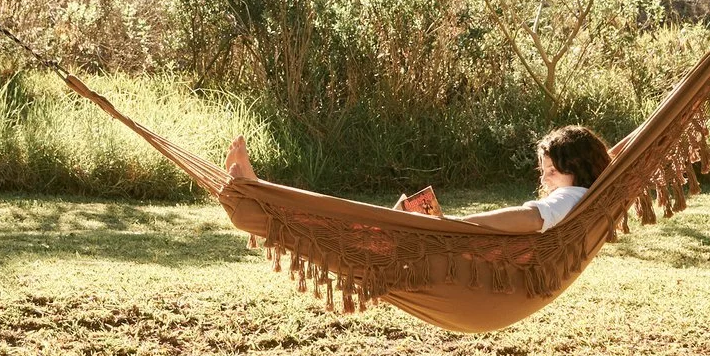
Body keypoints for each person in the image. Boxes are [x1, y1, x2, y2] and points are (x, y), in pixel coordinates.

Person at [223, 124, 611, 233]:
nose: (544, 180)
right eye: (541, 171)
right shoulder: (579, 196)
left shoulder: (570, 197)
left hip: (454, 254)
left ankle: (261, 200)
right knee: (352, 229)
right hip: (453, 254)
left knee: (346, 231)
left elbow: (529, 218)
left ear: (578, 170)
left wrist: (458, 225)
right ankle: (262, 197)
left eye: (551, 171)